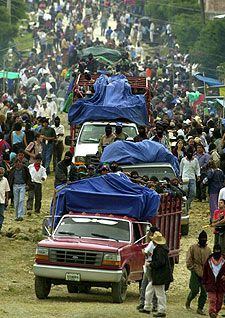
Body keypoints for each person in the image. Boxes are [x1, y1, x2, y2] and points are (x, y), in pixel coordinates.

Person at [141, 231, 172, 317]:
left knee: (159, 293)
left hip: (159, 275)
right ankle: (147, 307)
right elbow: (161, 262)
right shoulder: (161, 249)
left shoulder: (159, 250)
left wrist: (150, 264)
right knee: (150, 290)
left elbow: (160, 262)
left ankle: (161, 310)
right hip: (159, 274)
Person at [186, 230, 211, 315]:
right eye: (202, 239)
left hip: (205, 273)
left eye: (205, 239)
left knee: (204, 292)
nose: (203, 240)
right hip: (195, 271)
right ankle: (188, 300)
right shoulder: (193, 247)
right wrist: (192, 268)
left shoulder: (208, 250)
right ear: (199, 239)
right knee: (194, 290)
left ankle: (200, 308)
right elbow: (189, 259)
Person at [137, 226, 159, 312]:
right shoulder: (158, 245)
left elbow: (146, 253)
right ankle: (153, 305)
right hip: (152, 266)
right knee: (150, 286)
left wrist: (143, 251)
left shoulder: (151, 244)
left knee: (147, 286)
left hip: (149, 266)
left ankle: (145, 303)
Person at [203, 244, 225, 318]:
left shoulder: (224, 260)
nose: (217, 252)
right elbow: (205, 272)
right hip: (211, 283)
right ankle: (212, 312)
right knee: (212, 299)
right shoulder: (209, 261)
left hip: (221, 284)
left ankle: (216, 312)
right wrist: (204, 282)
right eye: (215, 251)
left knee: (219, 301)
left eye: (218, 251)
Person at [180, 148, 201, 213]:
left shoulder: (195, 160)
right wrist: (180, 176)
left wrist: (198, 175)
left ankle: (187, 204)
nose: (189, 154)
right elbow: (181, 168)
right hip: (185, 177)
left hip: (192, 178)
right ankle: (184, 205)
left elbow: (197, 168)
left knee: (193, 193)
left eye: (191, 153)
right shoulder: (183, 160)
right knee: (185, 190)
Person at [0, 167, 10, 232]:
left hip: (2, 201)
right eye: (0, 173)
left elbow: (7, 191)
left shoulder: (5, 180)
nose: (1, 175)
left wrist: (7, 200)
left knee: (1, 215)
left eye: (2, 173)